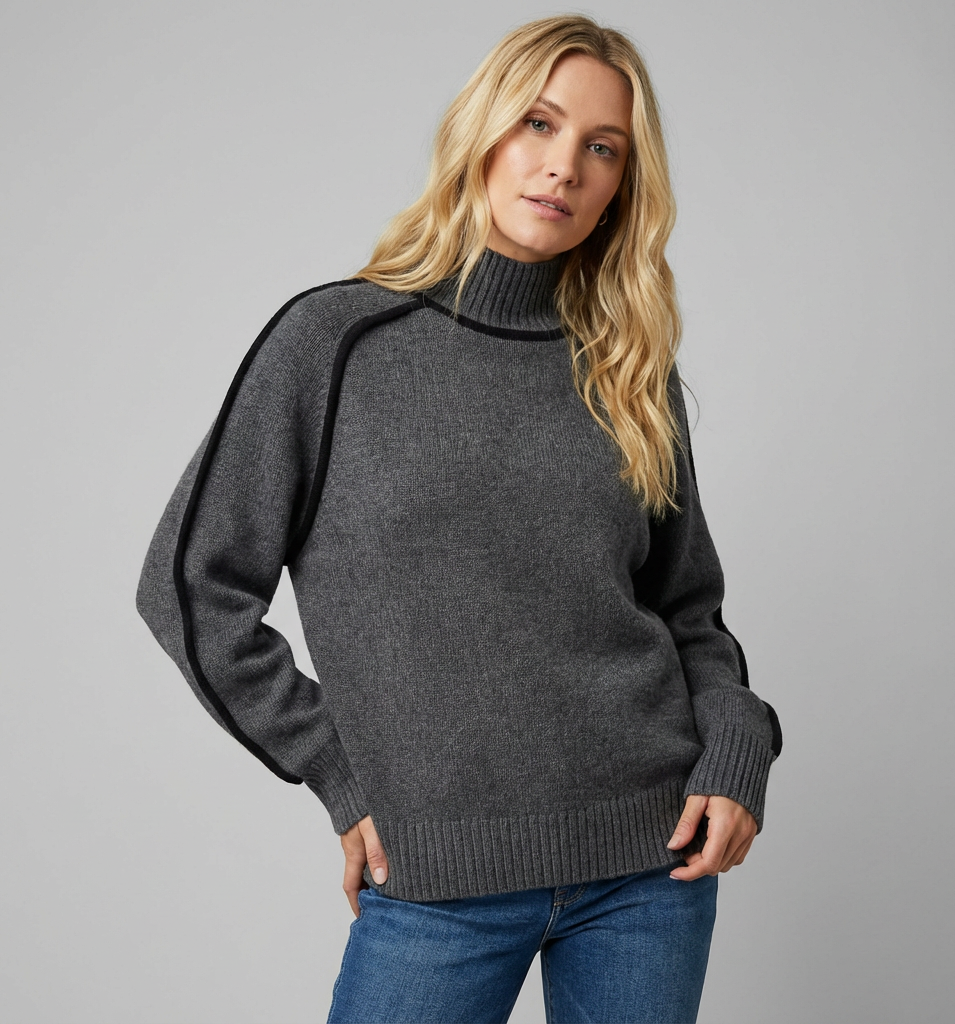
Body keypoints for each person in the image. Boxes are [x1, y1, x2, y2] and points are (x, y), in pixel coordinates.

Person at [136, 14, 782, 1024]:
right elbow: (188, 588)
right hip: (438, 878)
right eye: (538, 123)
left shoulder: (628, 372)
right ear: (482, 129)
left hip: (650, 869)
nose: (563, 166)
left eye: (602, 147)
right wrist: (337, 769)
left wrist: (738, 743)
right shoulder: (334, 342)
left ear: (623, 185)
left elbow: (688, 613)